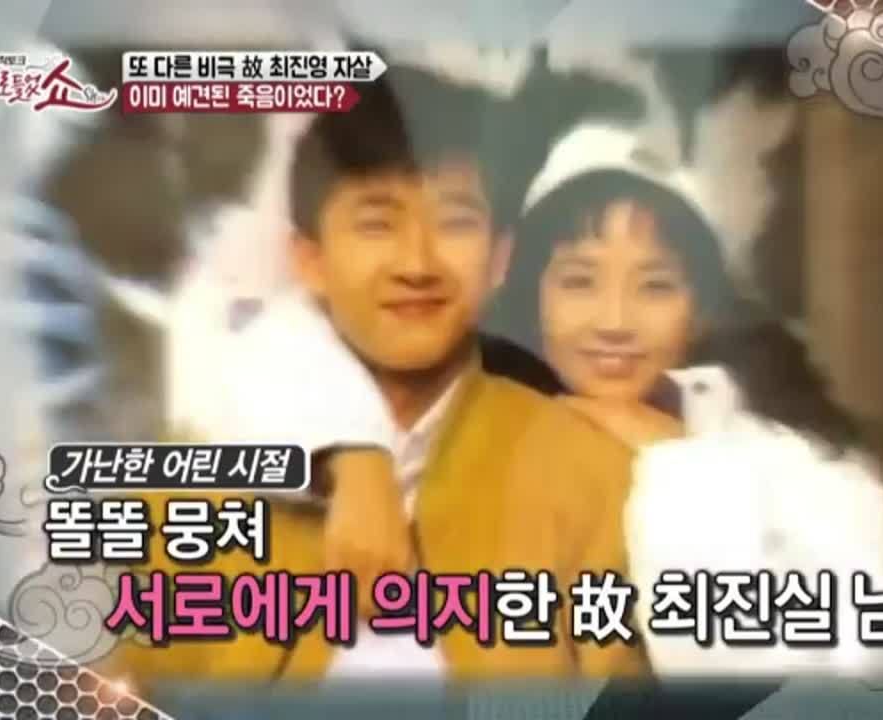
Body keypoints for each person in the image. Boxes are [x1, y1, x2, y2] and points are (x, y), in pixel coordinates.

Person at [109, 64, 649, 689]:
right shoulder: (193, 484)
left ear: (500, 257)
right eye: (377, 223)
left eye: (454, 221)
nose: (416, 262)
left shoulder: (588, 473)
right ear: (309, 259)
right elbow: (134, 686)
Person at [490, 120, 883, 677]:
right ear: (533, 299)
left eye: (656, 286)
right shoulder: (482, 444)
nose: (615, 321)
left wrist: (673, 459)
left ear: (700, 308)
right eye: (579, 282)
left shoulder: (790, 450)